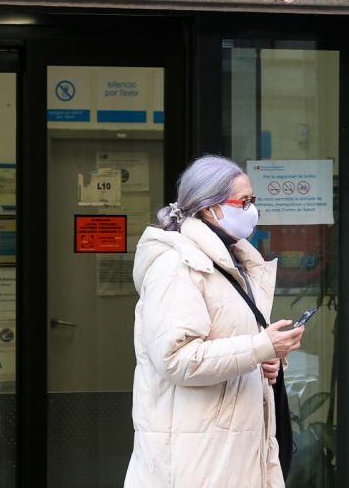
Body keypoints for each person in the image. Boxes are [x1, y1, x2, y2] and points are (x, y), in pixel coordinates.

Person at [124, 155, 305, 488]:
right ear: (210, 208)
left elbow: (233, 345)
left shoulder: (231, 263)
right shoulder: (178, 266)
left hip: (230, 451)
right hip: (196, 460)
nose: (253, 209)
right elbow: (176, 358)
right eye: (244, 201)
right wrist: (259, 347)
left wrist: (264, 360)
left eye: (254, 200)